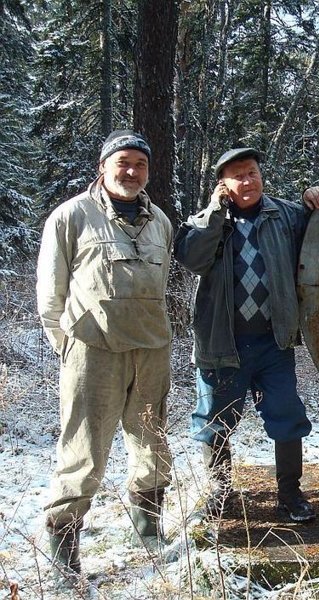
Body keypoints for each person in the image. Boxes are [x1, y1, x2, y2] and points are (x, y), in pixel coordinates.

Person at [36, 130, 174, 579]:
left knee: (152, 440)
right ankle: (63, 545)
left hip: (151, 348)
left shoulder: (160, 223)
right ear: (104, 167)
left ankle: (148, 525)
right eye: (123, 163)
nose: (132, 172)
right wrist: (69, 345)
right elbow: (50, 294)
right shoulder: (72, 215)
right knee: (84, 448)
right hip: (92, 349)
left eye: (140, 164)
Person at [174, 148, 319, 523]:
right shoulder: (206, 222)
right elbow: (192, 259)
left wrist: (313, 196)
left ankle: (290, 493)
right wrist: (214, 214)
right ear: (222, 184)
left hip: (273, 342)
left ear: (262, 176)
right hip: (222, 344)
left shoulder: (285, 216)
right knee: (216, 421)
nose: (247, 181)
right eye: (237, 175)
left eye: (253, 173)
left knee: (286, 414)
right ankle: (222, 494)